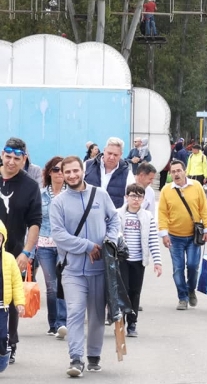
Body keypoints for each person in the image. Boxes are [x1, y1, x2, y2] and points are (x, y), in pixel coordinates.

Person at [50, 155, 120, 377]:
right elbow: (59, 235)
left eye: (74, 171)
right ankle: (76, 358)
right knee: (75, 312)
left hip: (100, 269)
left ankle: (94, 356)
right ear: (62, 174)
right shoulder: (58, 202)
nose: (71, 175)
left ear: (82, 170)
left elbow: (114, 220)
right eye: (66, 172)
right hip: (72, 270)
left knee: (98, 315)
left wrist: (109, 241)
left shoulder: (100, 195)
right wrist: (87, 245)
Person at [0, 137, 42, 364]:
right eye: (8, 157)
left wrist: (27, 252)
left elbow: (35, 221)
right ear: (1, 155)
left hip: (14, 251)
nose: (12, 162)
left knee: (9, 299)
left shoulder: (30, 186)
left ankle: (9, 342)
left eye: (17, 158)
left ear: (24, 159)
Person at [158, 160, 207, 310]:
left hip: (194, 236)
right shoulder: (166, 190)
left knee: (193, 266)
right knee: (178, 268)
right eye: (173, 171)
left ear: (185, 171)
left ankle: (190, 290)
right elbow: (162, 213)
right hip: (174, 237)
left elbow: (204, 209)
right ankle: (182, 297)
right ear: (170, 174)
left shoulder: (196, 186)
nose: (176, 174)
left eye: (178, 170)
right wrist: (163, 233)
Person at [117, 184, 162, 338]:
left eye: (139, 196)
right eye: (132, 196)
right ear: (126, 197)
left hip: (138, 261)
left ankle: (132, 322)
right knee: (123, 291)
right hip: (122, 260)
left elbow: (153, 240)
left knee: (135, 292)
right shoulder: (118, 215)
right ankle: (120, 322)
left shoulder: (147, 217)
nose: (136, 199)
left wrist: (157, 261)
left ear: (143, 199)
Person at [38, 156, 68, 339]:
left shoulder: (71, 195)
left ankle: (61, 323)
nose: (59, 173)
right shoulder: (40, 195)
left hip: (64, 246)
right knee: (51, 286)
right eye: (55, 169)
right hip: (44, 245)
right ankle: (53, 323)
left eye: (62, 170)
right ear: (49, 172)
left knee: (62, 283)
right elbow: (33, 222)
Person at [0, 220, 25, 372]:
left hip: (2, 306)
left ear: (3, 239)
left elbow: (16, 283)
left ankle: (3, 357)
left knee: (2, 336)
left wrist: (19, 302)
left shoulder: (9, 259)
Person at [84, 137, 135, 209]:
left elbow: (131, 201)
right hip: (87, 217)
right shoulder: (87, 166)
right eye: (109, 153)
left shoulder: (128, 175)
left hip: (113, 218)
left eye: (115, 155)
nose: (111, 157)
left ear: (121, 154)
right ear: (104, 150)